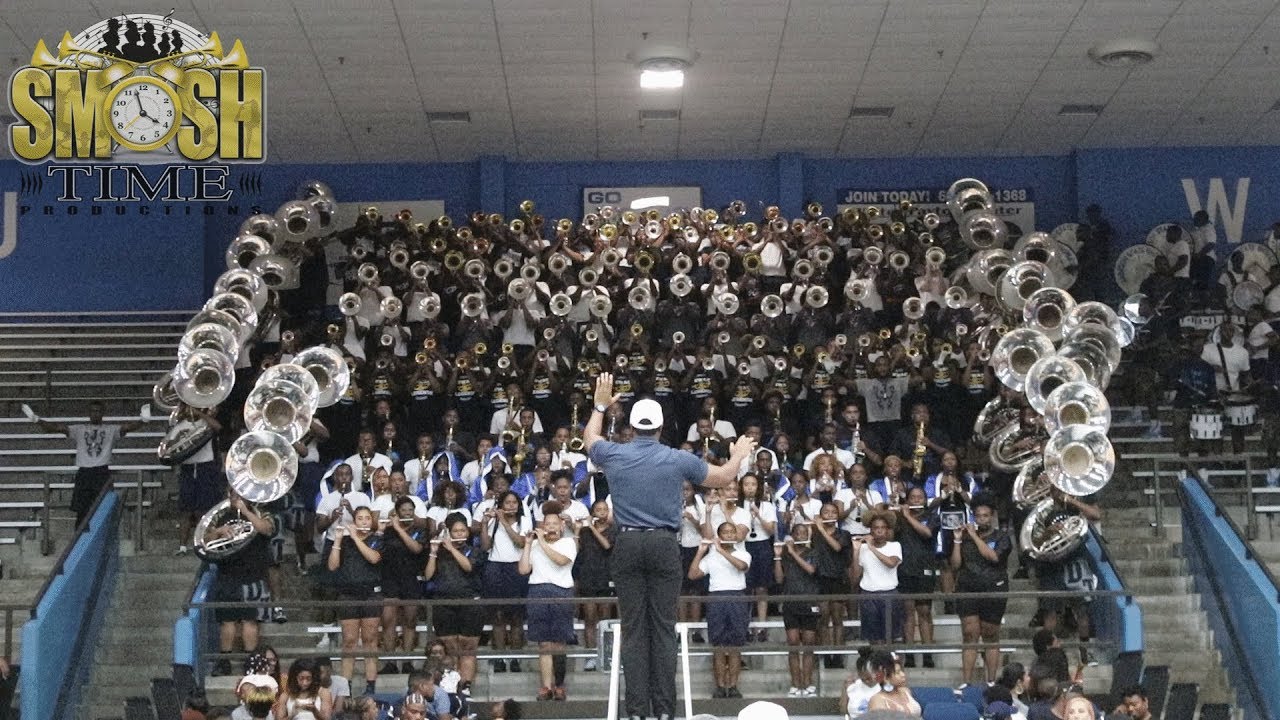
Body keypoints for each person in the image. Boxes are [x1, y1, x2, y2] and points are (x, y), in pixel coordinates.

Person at [583, 372, 756, 720]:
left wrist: (600, 407)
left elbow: (589, 440)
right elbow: (724, 477)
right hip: (663, 543)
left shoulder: (615, 453)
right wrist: (738, 454)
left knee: (634, 630)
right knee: (662, 629)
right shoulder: (677, 458)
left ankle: (636, 712)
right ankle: (663, 712)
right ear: (661, 428)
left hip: (627, 541)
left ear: (632, 427)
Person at [28, 400, 145, 527]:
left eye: (98, 411)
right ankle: (81, 535)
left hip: (101, 472)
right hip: (84, 472)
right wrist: (37, 420)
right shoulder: (79, 429)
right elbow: (57, 428)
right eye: (92, 411)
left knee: (104, 508)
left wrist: (143, 420)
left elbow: (127, 427)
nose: (95, 414)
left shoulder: (110, 429)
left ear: (103, 413)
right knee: (82, 510)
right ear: (89, 413)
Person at [951, 494, 1013, 689]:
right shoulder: (965, 537)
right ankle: (966, 682)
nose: (981, 519)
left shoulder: (1002, 537)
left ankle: (991, 681)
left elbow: (993, 557)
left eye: (985, 516)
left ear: (992, 517)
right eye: (978, 516)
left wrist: (975, 536)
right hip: (967, 588)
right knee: (969, 634)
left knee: (990, 635)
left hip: (993, 588)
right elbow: (955, 565)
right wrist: (957, 541)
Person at [518, 502, 578, 701]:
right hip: (537, 591)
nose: (551, 527)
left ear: (561, 526)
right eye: (547, 523)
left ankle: (559, 684)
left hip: (561, 591)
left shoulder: (568, 543)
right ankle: (545, 686)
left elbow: (561, 561)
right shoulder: (535, 545)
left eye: (554, 523)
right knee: (543, 643)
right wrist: (528, 544)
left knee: (559, 642)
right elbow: (523, 569)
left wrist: (542, 542)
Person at [688, 520, 751, 699]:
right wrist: (700, 552)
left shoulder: (743, 553)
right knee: (718, 644)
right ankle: (720, 686)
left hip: (737, 597)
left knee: (735, 644)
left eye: (732, 532)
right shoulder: (711, 557)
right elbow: (692, 575)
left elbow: (742, 567)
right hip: (716, 598)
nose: (729, 535)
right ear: (719, 535)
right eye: (725, 532)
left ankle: (733, 685)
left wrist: (721, 550)